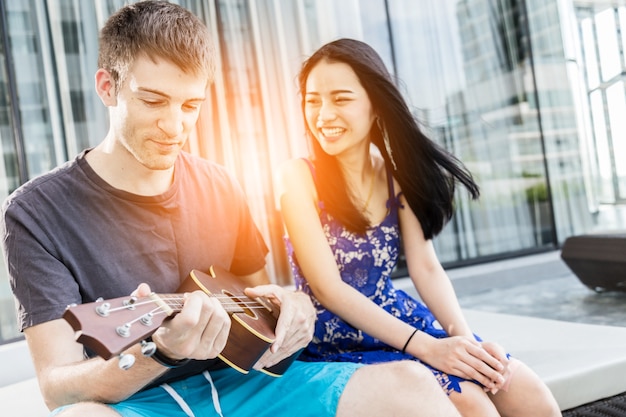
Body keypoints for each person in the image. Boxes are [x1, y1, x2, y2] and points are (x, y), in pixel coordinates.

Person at [1, 3, 464, 417]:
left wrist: (295, 308)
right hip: (139, 402)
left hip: (252, 385)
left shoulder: (219, 183)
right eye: (153, 101)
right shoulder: (35, 213)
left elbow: (260, 294)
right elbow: (56, 387)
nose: (174, 125)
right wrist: (159, 353)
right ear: (107, 87)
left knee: (412, 385)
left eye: (191, 105)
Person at [276, 38, 562, 417]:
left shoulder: (395, 178)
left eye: (341, 99)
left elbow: (425, 267)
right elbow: (329, 289)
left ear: (375, 104)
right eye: (313, 100)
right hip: (337, 336)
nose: (324, 114)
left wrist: (462, 339)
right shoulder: (299, 177)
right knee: (474, 406)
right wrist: (428, 347)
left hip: (403, 319)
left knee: (530, 395)